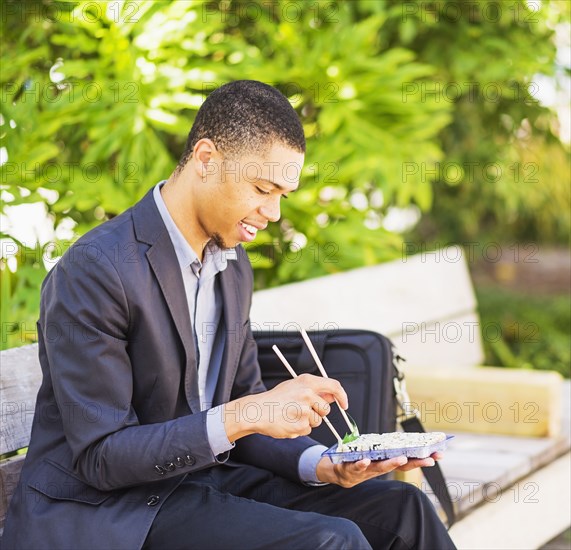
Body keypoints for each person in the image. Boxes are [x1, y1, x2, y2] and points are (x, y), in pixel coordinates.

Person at [3, 80, 456, 550]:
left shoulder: (232, 264)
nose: (274, 212)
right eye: (263, 188)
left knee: (405, 511)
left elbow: (243, 400)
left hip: (201, 484)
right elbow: (102, 457)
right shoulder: (97, 270)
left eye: (283, 193)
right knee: (329, 542)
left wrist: (322, 463)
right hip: (110, 512)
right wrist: (247, 412)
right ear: (206, 159)